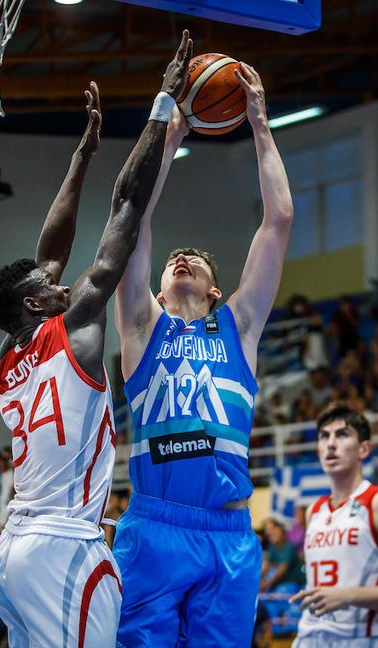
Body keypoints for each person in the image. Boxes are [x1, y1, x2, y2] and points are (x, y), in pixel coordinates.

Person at [0, 32, 193, 647]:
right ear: (36, 303)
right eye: (47, 283)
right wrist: (161, 102)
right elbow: (126, 206)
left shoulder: (8, 353)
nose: (59, 277)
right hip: (63, 547)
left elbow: (49, 252)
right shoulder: (74, 327)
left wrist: (81, 157)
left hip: (15, 550)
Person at [111, 58, 293, 646]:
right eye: (171, 260)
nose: (180, 258)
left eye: (195, 260)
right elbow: (133, 218)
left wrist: (260, 123)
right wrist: (168, 135)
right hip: (154, 526)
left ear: (217, 290)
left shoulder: (239, 328)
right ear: (158, 288)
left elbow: (279, 219)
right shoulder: (140, 325)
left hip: (229, 532)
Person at [288, 403, 378, 647]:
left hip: (363, 639)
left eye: (342, 434)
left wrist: (348, 595)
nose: (331, 444)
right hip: (310, 638)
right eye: (324, 436)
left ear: (364, 448)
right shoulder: (313, 512)